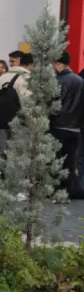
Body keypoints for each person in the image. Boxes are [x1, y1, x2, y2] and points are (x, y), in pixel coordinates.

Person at [52, 50, 84, 200]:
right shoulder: (79, 81)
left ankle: (60, 189)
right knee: (71, 161)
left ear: (58, 64)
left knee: (57, 160)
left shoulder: (56, 81)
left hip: (58, 126)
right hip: (75, 127)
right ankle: (71, 189)